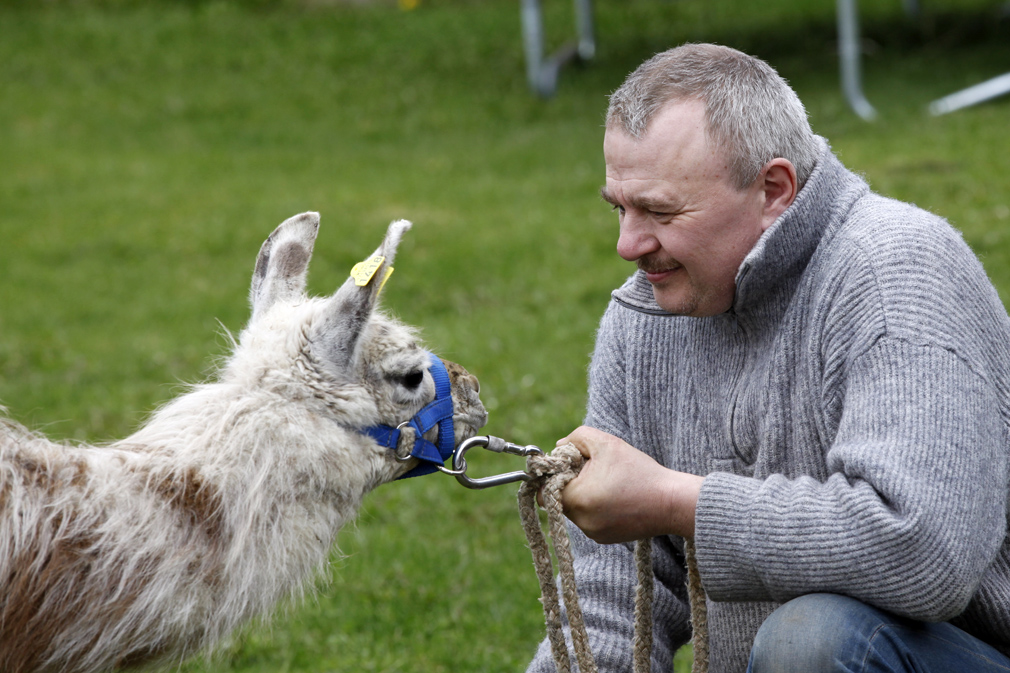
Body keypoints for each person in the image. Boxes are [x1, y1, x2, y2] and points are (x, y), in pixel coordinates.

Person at [525, 43, 1010, 672]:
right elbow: (611, 607)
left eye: (660, 210)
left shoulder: (898, 274)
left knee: (813, 641)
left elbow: (920, 551)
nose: (628, 244)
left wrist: (680, 502)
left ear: (773, 189)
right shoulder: (645, 317)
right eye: (619, 207)